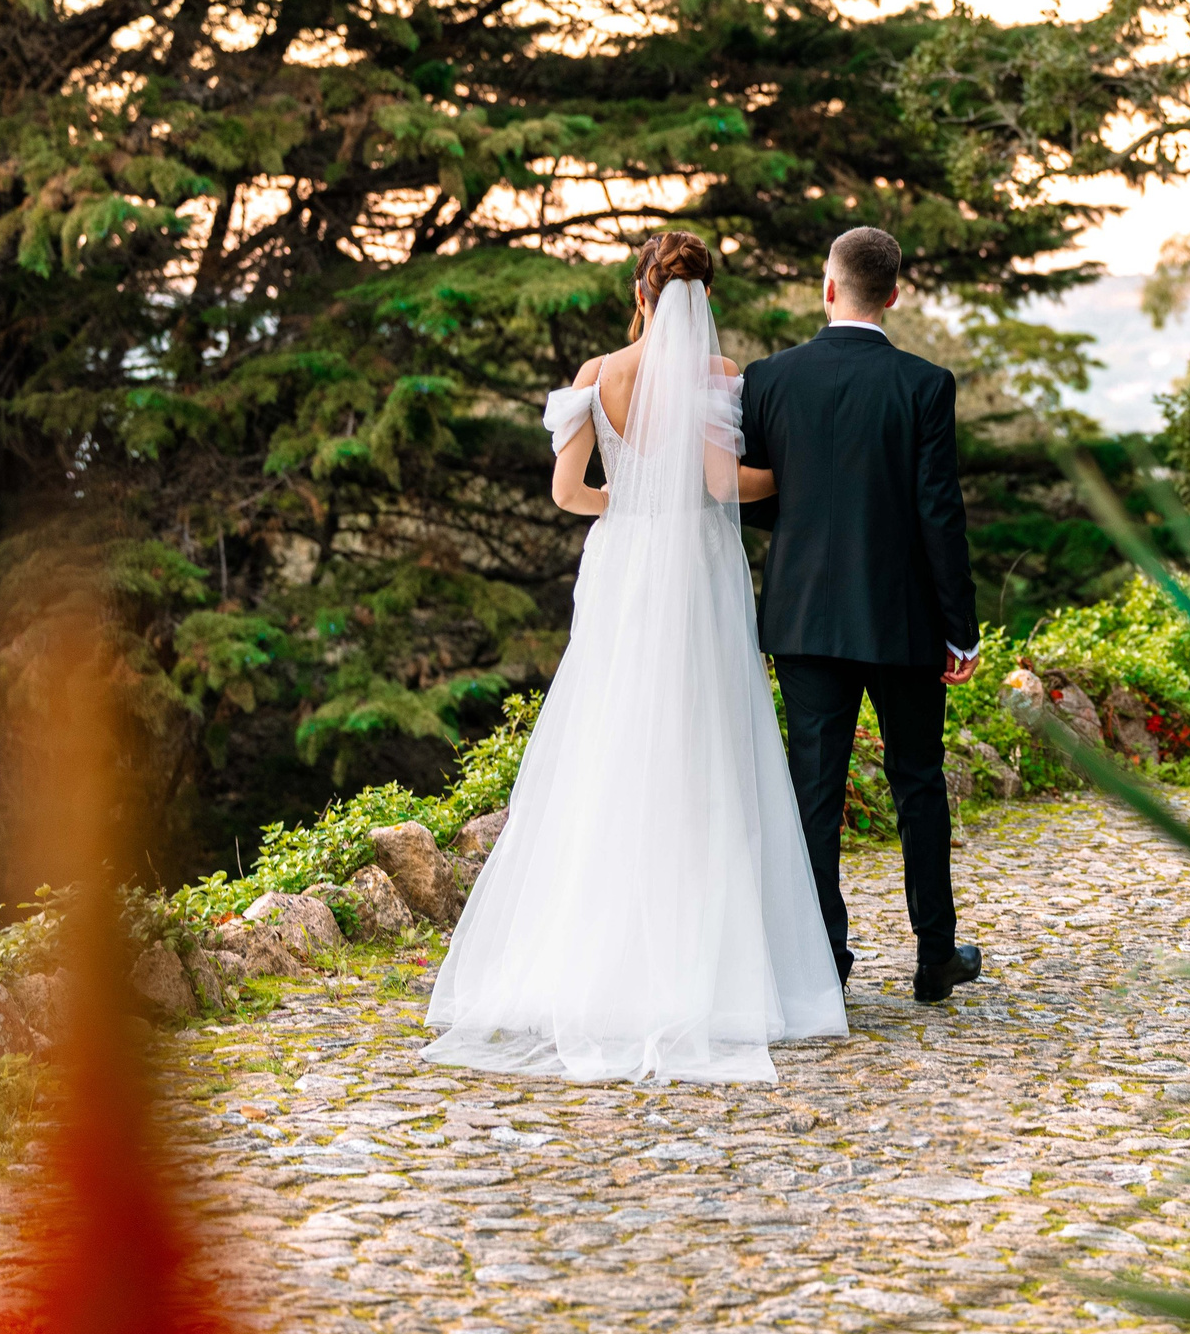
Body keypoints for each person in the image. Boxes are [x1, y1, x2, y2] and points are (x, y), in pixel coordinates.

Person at [422, 232, 846, 1084]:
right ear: (706, 297)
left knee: (610, 738)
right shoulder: (720, 378)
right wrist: (798, 469)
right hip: (695, 568)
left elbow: (569, 492)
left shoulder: (597, 374)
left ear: (640, 290)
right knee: (705, 744)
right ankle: (711, 963)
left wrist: (635, 499)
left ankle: (593, 954)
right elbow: (726, 486)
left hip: (624, 567)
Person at [740, 226, 985, 1004]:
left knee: (814, 791)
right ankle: (935, 957)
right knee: (919, 783)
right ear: (895, 293)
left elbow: (759, 495)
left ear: (827, 288)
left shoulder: (769, 379)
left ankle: (824, 964)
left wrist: (809, 517)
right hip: (904, 620)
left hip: (805, 618)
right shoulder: (925, 384)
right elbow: (938, 515)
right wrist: (961, 627)